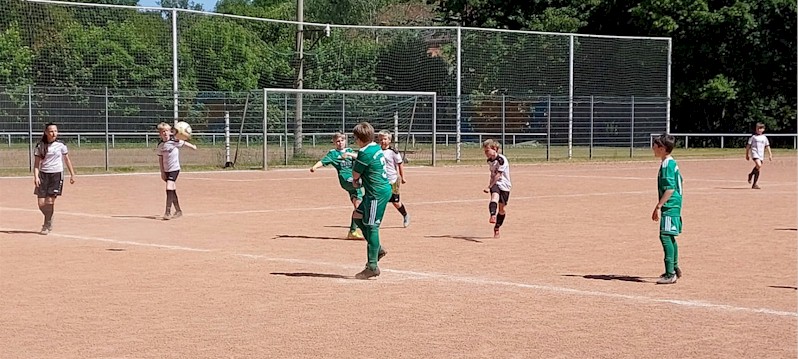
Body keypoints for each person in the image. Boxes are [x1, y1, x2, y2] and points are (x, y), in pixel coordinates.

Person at [350, 122, 390, 279]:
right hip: (376, 191)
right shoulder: (375, 147)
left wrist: (355, 181)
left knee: (372, 226)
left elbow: (355, 176)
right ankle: (377, 248)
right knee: (357, 216)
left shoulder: (364, 153)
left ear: (359, 139)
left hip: (375, 195)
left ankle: (372, 266)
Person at [310, 133, 364, 240]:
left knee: (358, 206)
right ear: (334, 143)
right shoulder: (333, 154)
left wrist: (349, 155)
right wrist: (314, 167)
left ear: (345, 141)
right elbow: (323, 161)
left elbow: (360, 157)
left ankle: (352, 231)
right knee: (362, 182)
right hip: (346, 179)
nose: (340, 143)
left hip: (354, 179)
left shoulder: (349, 151)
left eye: (342, 141)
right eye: (338, 141)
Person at [651, 134, 684, 285]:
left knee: (665, 236)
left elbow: (670, 189)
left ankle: (670, 273)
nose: (653, 148)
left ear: (663, 149)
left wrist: (658, 206)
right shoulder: (669, 162)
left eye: (655, 145)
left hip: (670, 205)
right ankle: (674, 267)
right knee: (669, 236)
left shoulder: (667, 165)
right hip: (673, 204)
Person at [33, 123, 76, 235]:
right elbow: (37, 164)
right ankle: (49, 217)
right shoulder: (40, 146)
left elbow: (67, 160)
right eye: (51, 131)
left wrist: (72, 174)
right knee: (41, 203)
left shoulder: (61, 145)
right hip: (43, 175)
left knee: (50, 201)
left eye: (55, 131)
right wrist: (36, 177)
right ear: (46, 132)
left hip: (56, 175)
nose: (54, 133)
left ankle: (46, 225)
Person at [156, 122, 197, 220]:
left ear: (170, 132)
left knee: (169, 186)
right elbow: (160, 158)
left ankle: (167, 212)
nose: (165, 133)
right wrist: (162, 172)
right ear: (160, 134)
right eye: (162, 132)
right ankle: (178, 211)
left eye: (167, 131)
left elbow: (184, 143)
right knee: (172, 190)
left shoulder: (174, 141)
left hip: (174, 169)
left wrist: (193, 147)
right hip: (166, 170)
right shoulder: (160, 145)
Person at [377, 130, 410, 227]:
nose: (383, 141)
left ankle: (405, 215)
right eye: (381, 139)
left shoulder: (393, 152)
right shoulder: (377, 151)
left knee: (395, 202)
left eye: (385, 139)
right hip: (381, 180)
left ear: (389, 140)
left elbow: (400, 164)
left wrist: (403, 177)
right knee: (379, 200)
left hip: (393, 180)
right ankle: (376, 221)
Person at [482, 139, 511, 238]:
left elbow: (498, 175)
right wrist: (491, 185)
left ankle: (497, 227)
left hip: (505, 185)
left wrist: (489, 186)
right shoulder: (489, 161)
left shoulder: (501, 160)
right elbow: (493, 175)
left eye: (487, 151)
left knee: (502, 209)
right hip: (495, 184)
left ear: (494, 149)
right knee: (494, 197)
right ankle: (492, 215)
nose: (485, 153)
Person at [745, 122, 773, 189]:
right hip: (755, 153)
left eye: (761, 128)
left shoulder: (764, 137)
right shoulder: (753, 137)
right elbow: (748, 146)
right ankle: (751, 175)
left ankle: (753, 182)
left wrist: (770, 154)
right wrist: (747, 155)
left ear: (763, 129)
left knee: (758, 167)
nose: (759, 130)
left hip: (761, 154)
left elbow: (767, 146)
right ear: (756, 129)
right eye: (758, 128)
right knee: (759, 165)